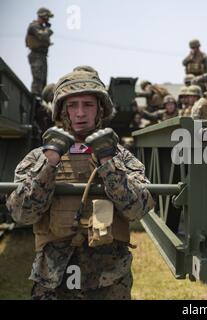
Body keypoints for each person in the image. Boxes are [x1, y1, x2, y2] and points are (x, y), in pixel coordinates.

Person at [6, 69, 154, 300]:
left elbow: (138, 209)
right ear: (61, 110)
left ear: (100, 109)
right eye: (72, 105)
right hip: (52, 279)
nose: (80, 113)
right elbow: (21, 214)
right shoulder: (38, 157)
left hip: (110, 280)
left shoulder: (120, 157)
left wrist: (107, 163)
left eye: (88, 104)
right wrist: (50, 163)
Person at [26, 7, 54, 96]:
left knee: (43, 81)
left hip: (42, 56)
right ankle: (36, 101)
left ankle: (41, 101)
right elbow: (42, 36)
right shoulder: (34, 26)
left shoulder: (42, 27)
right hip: (36, 55)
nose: (48, 19)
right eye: (47, 17)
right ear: (43, 16)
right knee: (37, 80)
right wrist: (48, 30)